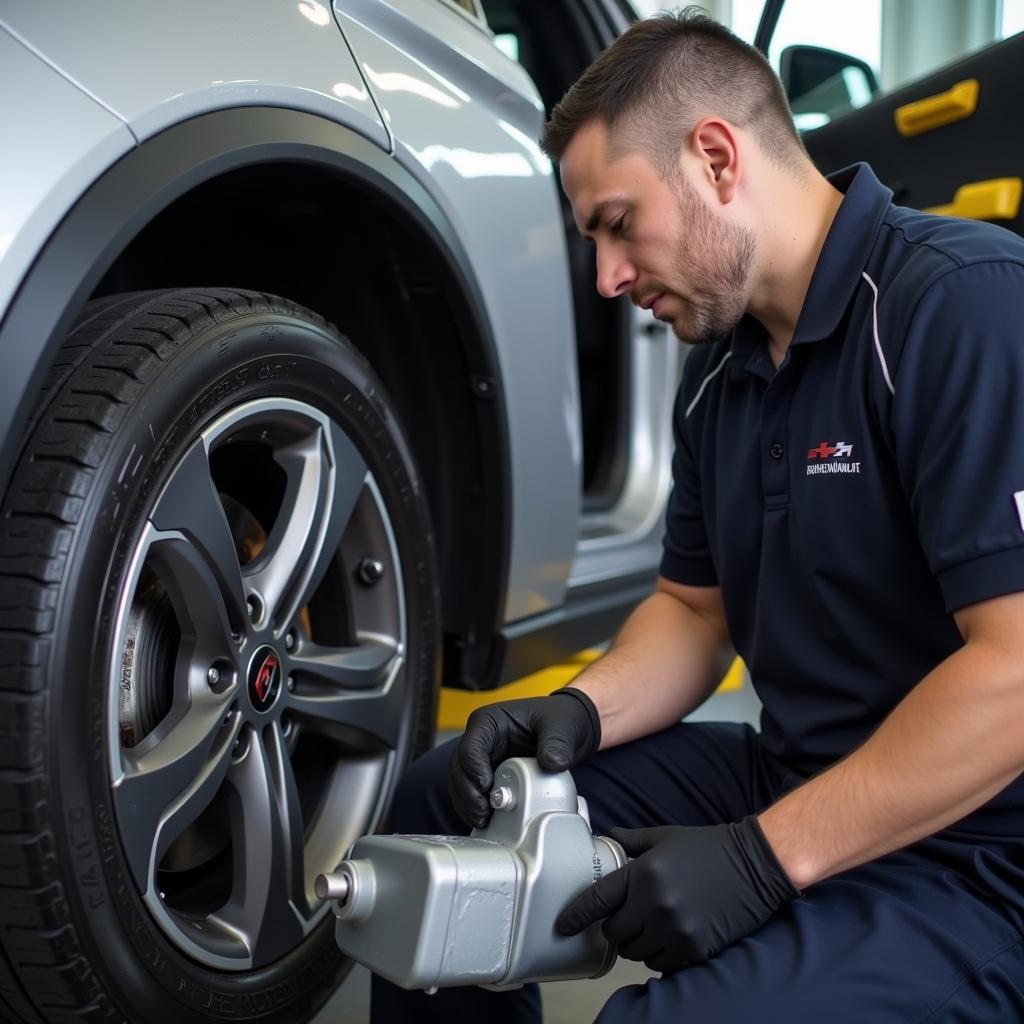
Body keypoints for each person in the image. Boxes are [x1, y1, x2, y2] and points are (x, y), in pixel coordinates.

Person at [371, 7, 1024, 1021]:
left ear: (716, 158)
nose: (607, 278)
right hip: (793, 774)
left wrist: (764, 861)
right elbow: (693, 611)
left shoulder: (959, 307)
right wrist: (578, 711)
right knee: (445, 816)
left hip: (976, 853)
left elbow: (1016, 672)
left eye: (616, 225)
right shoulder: (717, 371)